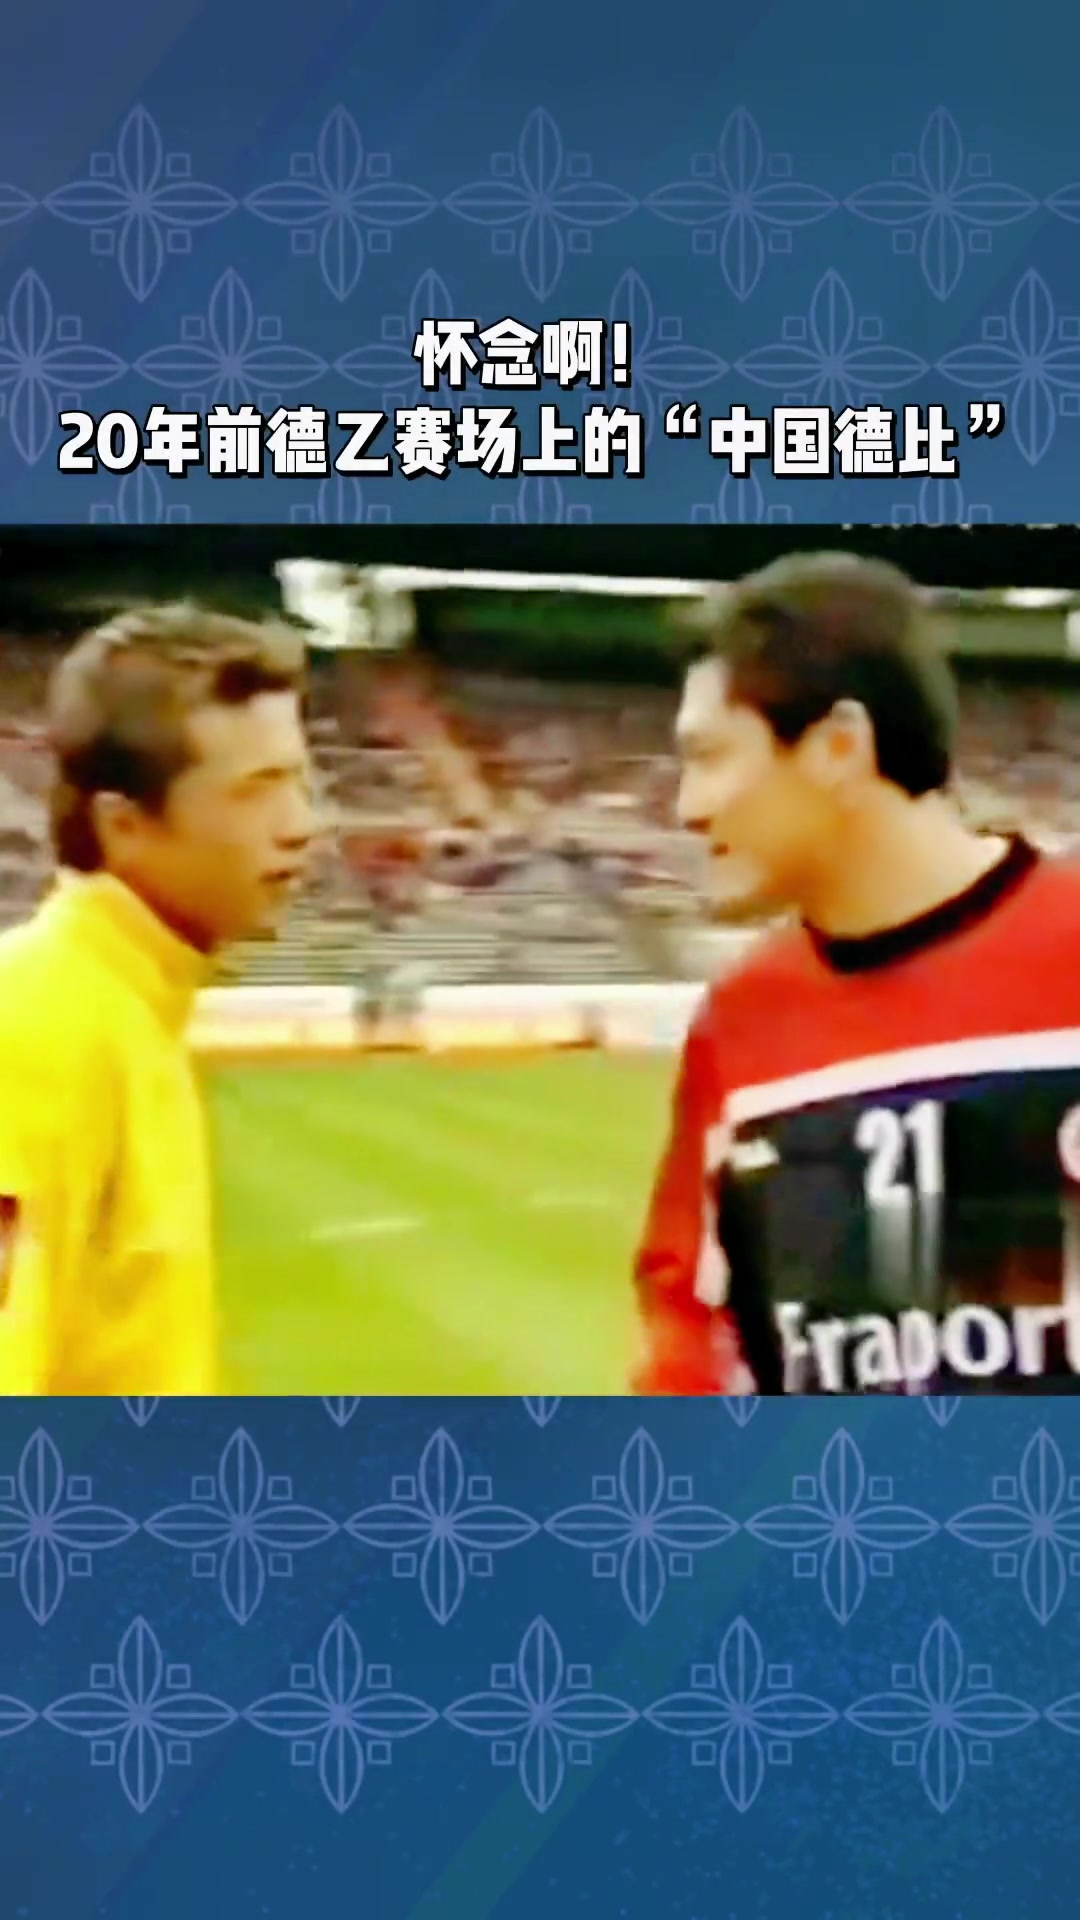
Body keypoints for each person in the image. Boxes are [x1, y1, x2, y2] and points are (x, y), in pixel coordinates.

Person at [634, 552, 1080, 1397]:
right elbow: (693, 1342)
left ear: (839, 746)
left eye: (712, 756)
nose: (688, 807)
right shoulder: (741, 1022)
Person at [0, 605, 316, 1396]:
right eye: (256, 792)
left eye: (299, 783)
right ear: (124, 824)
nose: (302, 826)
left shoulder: (131, 1006)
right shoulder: (36, 1029)